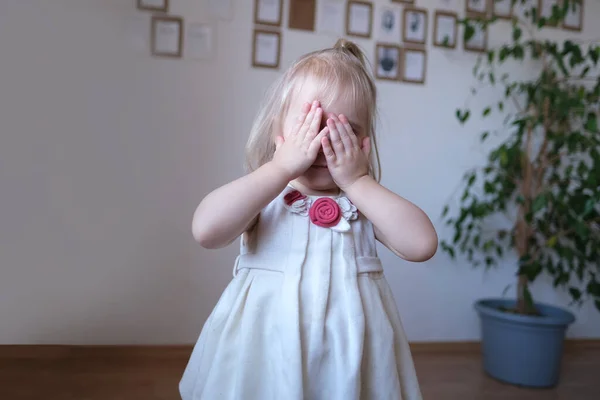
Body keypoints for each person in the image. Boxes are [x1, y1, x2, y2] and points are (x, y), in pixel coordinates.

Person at [179, 39, 438, 400]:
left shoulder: (362, 203)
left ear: (364, 143)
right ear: (278, 132)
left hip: (349, 363)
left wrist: (357, 181)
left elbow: (422, 244)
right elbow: (206, 230)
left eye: (342, 130)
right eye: (311, 125)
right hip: (262, 355)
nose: (322, 142)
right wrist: (281, 167)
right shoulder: (264, 196)